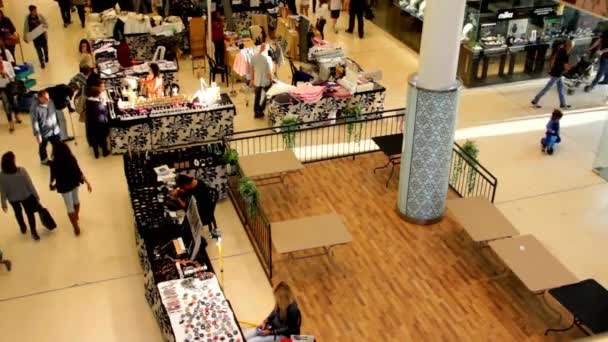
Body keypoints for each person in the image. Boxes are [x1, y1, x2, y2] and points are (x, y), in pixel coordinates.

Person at [50, 141, 92, 236]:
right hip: (74, 183)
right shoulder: (71, 158)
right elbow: (78, 171)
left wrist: (51, 184)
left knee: (69, 207)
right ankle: (76, 215)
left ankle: (75, 226)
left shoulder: (54, 162)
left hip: (64, 186)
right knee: (76, 200)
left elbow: (53, 176)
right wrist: (87, 182)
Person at [0, 152, 41, 240]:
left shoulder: (2, 175)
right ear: (13, 161)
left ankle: (22, 226)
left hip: (13, 199)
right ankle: (33, 231)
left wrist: (3, 203)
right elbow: (30, 184)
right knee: (30, 214)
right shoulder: (21, 171)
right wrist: (36, 195)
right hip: (26, 196)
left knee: (18, 213)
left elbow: (3, 190)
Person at [531, 39, 572, 110]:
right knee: (547, 88)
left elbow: (554, 58)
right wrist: (571, 68)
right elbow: (565, 66)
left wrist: (550, 67)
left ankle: (563, 104)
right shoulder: (565, 53)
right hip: (557, 73)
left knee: (560, 89)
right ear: (569, 46)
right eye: (571, 46)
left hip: (556, 72)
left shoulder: (560, 49)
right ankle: (535, 100)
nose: (572, 47)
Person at [31, 90, 61, 165]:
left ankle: (55, 156)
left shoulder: (50, 102)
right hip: (44, 131)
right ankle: (44, 160)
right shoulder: (34, 108)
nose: (48, 100)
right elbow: (35, 122)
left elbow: (54, 113)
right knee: (43, 146)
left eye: (48, 97)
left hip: (54, 129)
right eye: (45, 98)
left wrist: (58, 124)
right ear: (40, 98)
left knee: (56, 144)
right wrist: (38, 135)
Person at [85, 84, 110, 158]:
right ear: (98, 94)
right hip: (100, 124)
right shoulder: (98, 104)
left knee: (94, 138)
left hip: (91, 123)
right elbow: (104, 112)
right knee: (102, 138)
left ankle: (96, 153)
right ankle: (104, 152)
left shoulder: (88, 101)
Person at [250, 43, 273, 118]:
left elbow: (252, 69)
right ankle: (261, 109)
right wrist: (272, 80)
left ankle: (256, 112)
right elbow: (269, 73)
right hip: (265, 81)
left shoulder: (253, 57)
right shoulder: (267, 58)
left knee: (257, 96)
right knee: (268, 94)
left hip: (257, 80)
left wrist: (252, 79)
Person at [23, 5, 49, 69]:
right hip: (35, 37)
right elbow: (26, 28)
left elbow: (46, 23)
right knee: (38, 50)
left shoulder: (40, 16)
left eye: (36, 10)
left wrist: (44, 26)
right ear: (31, 11)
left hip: (42, 35)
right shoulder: (28, 18)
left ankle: (46, 55)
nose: (35, 12)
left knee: (45, 48)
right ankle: (41, 61)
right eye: (34, 11)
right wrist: (25, 37)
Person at [0, 55, 18, 133]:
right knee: (6, 105)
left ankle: (17, 115)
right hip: (1, 89)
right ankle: (10, 123)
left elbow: (13, 75)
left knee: (14, 102)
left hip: (9, 87)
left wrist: (6, 74)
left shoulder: (7, 64)